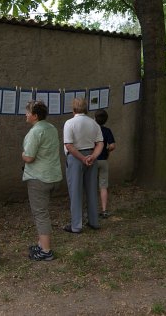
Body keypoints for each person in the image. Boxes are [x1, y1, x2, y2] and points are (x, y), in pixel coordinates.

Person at [21, 100, 62, 261]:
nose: (25, 114)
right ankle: (41, 243)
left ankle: (46, 251)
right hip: (53, 176)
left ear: (35, 116)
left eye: (28, 112)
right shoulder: (51, 128)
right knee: (43, 211)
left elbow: (29, 157)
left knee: (40, 213)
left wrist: (22, 155)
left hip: (39, 178)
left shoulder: (35, 132)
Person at [62, 98, 104, 233]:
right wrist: (93, 156)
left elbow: (68, 144)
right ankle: (94, 221)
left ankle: (76, 225)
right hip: (91, 157)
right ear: (86, 108)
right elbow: (100, 143)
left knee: (75, 191)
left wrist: (82, 158)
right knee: (92, 189)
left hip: (76, 158)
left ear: (73, 109)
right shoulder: (94, 123)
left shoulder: (70, 123)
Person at [94, 109, 116, 218]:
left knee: (91, 186)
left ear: (94, 119)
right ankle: (104, 210)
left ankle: (92, 209)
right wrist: (107, 150)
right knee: (103, 186)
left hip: (92, 160)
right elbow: (112, 145)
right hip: (103, 161)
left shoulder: (92, 130)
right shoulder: (107, 131)